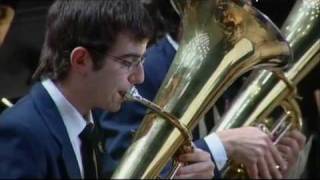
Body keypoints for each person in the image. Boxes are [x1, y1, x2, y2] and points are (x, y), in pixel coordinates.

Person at [0, 0, 214, 179]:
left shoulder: (88, 122)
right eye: (128, 62)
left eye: (142, 60)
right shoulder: (21, 133)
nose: (139, 77)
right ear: (81, 60)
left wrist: (176, 175)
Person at [99, 0, 306, 178]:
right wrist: (221, 146)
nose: (246, 9)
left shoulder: (231, 73)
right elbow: (122, 169)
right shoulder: (143, 74)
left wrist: (268, 164)